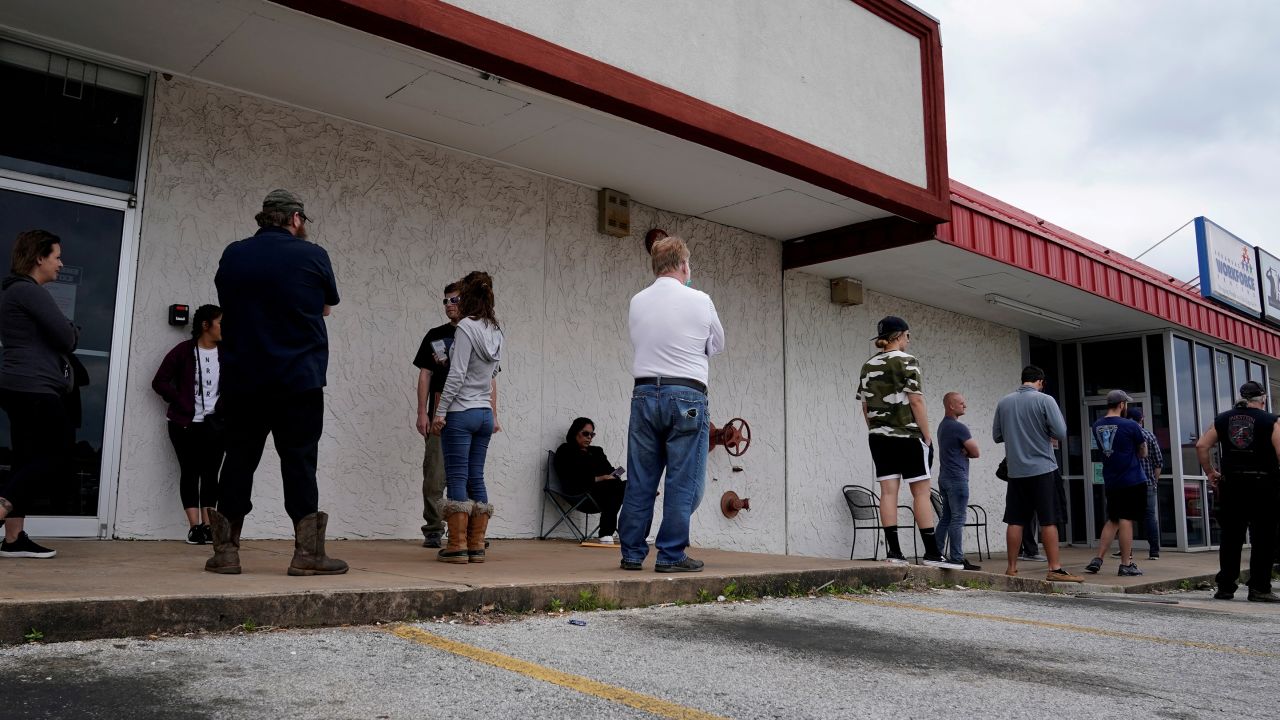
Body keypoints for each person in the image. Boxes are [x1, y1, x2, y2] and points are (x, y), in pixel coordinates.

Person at [206, 189, 346, 576]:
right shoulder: (313, 255)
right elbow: (326, 307)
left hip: (243, 379)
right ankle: (307, 556)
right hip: (298, 380)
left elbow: (229, 300)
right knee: (299, 463)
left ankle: (226, 553)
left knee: (238, 460)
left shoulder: (233, 254)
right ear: (296, 218)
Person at [619, 236, 723, 573]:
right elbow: (717, 344)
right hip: (688, 397)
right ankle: (671, 553)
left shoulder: (637, 300)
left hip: (645, 394)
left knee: (640, 478)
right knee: (682, 478)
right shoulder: (700, 299)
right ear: (683, 265)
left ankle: (632, 552)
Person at [856, 316, 957, 569]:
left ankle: (895, 552)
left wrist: (877, 431)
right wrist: (927, 435)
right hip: (908, 436)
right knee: (921, 492)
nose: (908, 341)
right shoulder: (908, 361)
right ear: (901, 336)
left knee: (888, 492)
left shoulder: (868, 365)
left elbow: (865, 406)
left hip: (879, 438)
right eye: (908, 336)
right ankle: (932, 552)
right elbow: (916, 401)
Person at [0, 230, 77, 560]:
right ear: (38, 258)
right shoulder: (29, 292)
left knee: (26, 457)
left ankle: (14, 539)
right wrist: (72, 330)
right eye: (57, 256)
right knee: (58, 454)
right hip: (34, 386)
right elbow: (66, 336)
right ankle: (1, 507)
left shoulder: (15, 293)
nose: (61, 263)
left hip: (19, 384)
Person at [431, 271, 503, 564]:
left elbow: (457, 374)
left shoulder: (464, 329)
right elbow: (493, 373)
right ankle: (476, 545)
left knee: (458, 478)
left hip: (461, 413)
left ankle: (457, 546)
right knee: (477, 477)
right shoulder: (496, 330)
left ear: (467, 296)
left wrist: (439, 411)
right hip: (484, 413)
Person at [993, 366, 1083, 582]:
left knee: (1015, 520)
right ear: (1040, 382)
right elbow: (1060, 433)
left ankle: (1012, 568)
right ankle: (1054, 568)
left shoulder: (1004, 402)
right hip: (1043, 469)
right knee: (1048, 519)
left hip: (1016, 472)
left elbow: (997, 436)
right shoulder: (1045, 400)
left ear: (1023, 380)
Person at [1196, 380, 1280, 602]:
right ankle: (1259, 588)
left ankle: (1225, 587)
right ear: (1262, 398)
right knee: (1263, 537)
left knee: (1231, 536)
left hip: (1232, 485)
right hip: (1263, 485)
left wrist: (1210, 472)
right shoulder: (1271, 420)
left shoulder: (1223, 419)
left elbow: (1202, 445)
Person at [152, 304, 225, 545]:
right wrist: (181, 400)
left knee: (211, 474)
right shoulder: (183, 351)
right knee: (191, 471)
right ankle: (195, 528)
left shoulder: (226, 353)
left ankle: (209, 525)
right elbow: (159, 381)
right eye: (220, 323)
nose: (224, 329)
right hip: (184, 423)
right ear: (206, 325)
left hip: (215, 424)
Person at [1084, 390, 1149, 577]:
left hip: (1111, 480)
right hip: (1132, 479)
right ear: (1122, 404)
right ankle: (1126, 564)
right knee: (1126, 519)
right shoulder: (1130, 425)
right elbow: (1143, 451)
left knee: (1113, 519)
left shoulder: (1097, 425)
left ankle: (1098, 559)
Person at [554, 417, 625, 543]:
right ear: (575, 432)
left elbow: (609, 471)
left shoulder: (597, 451)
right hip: (580, 493)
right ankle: (606, 533)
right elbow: (569, 478)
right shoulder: (565, 451)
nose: (589, 437)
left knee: (631, 487)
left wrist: (612, 476)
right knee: (625, 489)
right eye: (585, 433)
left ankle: (638, 532)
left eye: (592, 434)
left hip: (606, 493)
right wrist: (600, 478)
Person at [936, 392, 981, 570]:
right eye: (961, 403)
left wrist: (964, 450)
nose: (965, 406)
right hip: (957, 478)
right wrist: (967, 451)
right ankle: (956, 558)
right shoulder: (958, 427)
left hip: (944, 477)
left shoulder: (942, 426)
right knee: (958, 518)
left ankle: (937, 553)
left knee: (946, 517)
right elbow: (976, 452)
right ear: (951, 406)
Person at [1110, 406, 1162, 561]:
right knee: (1150, 517)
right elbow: (1158, 462)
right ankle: (1154, 551)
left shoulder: (1124, 434)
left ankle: (1127, 551)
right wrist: (1154, 481)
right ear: (1142, 419)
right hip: (1147, 483)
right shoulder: (1150, 436)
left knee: (1125, 516)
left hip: (1128, 482)